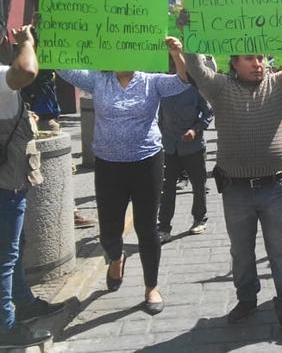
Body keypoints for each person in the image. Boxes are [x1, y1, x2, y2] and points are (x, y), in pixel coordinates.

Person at [181, 7, 282, 338]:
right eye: (249, 57)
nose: (257, 63)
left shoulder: (280, 85)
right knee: (241, 253)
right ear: (234, 63)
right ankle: (247, 299)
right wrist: (188, 33)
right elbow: (197, 69)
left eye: (260, 56)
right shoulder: (219, 88)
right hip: (236, 190)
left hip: (276, 188)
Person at [58, 37, 189, 316]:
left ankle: (150, 287)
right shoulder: (98, 80)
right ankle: (116, 258)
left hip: (147, 163)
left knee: (146, 228)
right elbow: (63, 69)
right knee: (109, 229)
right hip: (108, 166)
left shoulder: (151, 81)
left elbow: (182, 81)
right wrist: (48, 33)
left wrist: (177, 54)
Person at [0, 26, 64, 348]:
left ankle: (22, 302)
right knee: (4, 257)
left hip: (12, 182)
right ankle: (6, 328)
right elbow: (26, 69)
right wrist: (27, 42)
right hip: (4, 186)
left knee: (14, 248)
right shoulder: (1, 76)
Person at [157, 72, 213, 243]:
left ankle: (199, 219)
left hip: (193, 147)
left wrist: (195, 130)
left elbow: (208, 113)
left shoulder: (195, 88)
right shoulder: (162, 89)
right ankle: (164, 227)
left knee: (198, 184)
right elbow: (156, 116)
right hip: (168, 147)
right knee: (166, 188)